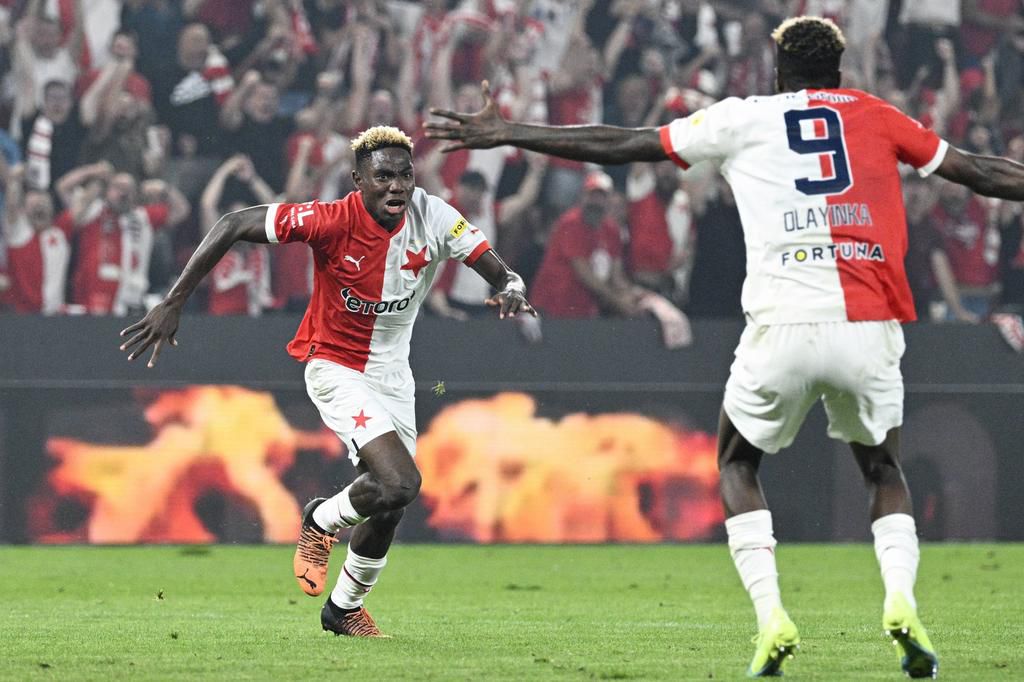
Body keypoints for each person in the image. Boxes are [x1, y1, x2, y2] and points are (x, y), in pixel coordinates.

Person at [426, 15, 1024, 678]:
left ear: (777, 71)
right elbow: (981, 171)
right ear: (839, 71)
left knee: (738, 464)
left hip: (780, 324)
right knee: (884, 471)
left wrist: (509, 130)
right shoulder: (881, 116)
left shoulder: (744, 118)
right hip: (869, 323)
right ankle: (901, 602)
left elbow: (622, 143)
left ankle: (771, 616)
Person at [118, 125, 536, 637]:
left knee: (391, 502)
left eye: (404, 175)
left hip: (392, 373)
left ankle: (343, 608)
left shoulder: (435, 216)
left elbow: (496, 268)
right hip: (335, 365)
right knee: (402, 481)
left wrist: (512, 287)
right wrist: (174, 300)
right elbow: (231, 223)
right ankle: (321, 521)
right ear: (358, 180)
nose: (397, 187)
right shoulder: (330, 220)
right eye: (382, 176)